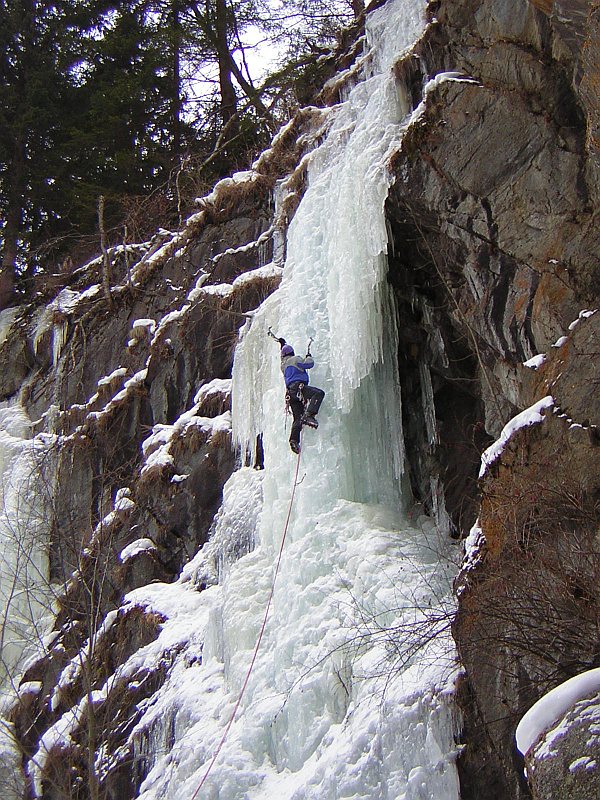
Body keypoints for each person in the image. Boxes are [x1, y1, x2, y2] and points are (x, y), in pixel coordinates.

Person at [279, 340, 325, 454]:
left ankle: (294, 440)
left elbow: (284, 353)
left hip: (291, 394)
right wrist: (309, 356)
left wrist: (282, 343)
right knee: (318, 394)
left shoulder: (283, 365)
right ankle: (309, 415)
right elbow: (309, 364)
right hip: (299, 388)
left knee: (297, 418)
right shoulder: (295, 359)